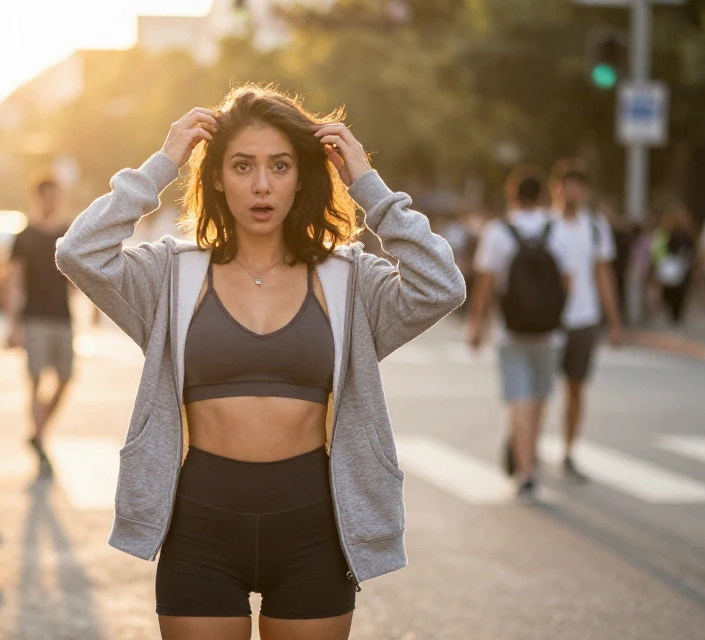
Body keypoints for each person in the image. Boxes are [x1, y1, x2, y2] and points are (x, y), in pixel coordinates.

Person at [55, 87, 465, 639]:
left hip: (314, 529)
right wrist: (161, 164)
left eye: (280, 165)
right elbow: (78, 252)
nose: (262, 184)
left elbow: (441, 285)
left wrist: (368, 186)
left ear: (302, 176)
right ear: (217, 177)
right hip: (199, 527)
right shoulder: (170, 277)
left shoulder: (349, 282)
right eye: (243, 166)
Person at [466, 166, 575, 502]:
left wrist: (477, 324)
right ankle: (531, 458)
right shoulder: (557, 229)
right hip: (548, 331)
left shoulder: (498, 231)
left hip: (509, 330)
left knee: (518, 398)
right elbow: (568, 280)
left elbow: (485, 281)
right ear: (543, 196)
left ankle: (525, 471)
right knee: (539, 397)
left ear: (512, 196)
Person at [548, 160, 624, 483]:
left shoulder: (595, 226)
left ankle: (568, 451)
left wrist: (615, 321)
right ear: (557, 188)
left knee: (576, 388)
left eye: (579, 185)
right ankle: (526, 445)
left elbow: (603, 274)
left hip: (584, 317)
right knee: (539, 388)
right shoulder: (545, 225)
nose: (573, 191)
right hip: (549, 320)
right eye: (568, 184)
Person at [6, 171, 74, 468]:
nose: (50, 200)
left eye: (54, 194)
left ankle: (38, 430)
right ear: (37, 198)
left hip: (63, 316)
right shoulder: (25, 236)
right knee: (34, 382)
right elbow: (14, 281)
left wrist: (98, 308)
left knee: (65, 378)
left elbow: (82, 276)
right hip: (34, 317)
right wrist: (13, 325)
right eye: (45, 195)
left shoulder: (69, 233)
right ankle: (41, 443)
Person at [649, 205, 696, 326]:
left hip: (680, 268)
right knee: (672, 293)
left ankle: (675, 317)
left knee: (677, 294)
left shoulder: (683, 235)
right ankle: (674, 317)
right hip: (674, 268)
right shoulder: (667, 234)